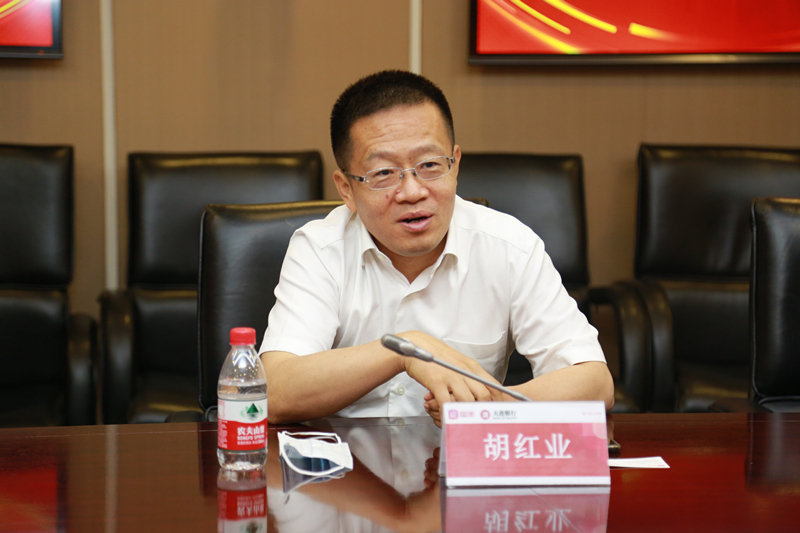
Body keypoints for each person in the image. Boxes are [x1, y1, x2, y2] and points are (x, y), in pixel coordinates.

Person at [260, 70, 614, 425]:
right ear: (346, 189)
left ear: (455, 165)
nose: (412, 192)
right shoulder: (320, 249)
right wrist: (403, 351)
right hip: (342, 457)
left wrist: (492, 407)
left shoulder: (509, 246)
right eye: (383, 173)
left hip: (464, 456)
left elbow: (595, 383)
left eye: (429, 165)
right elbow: (274, 392)